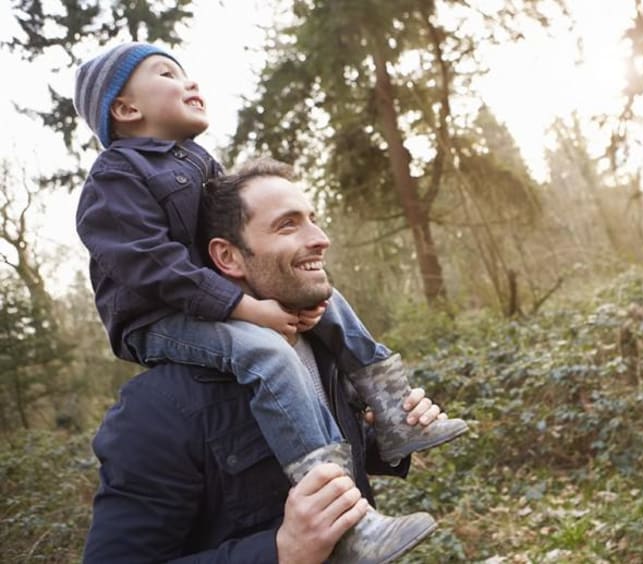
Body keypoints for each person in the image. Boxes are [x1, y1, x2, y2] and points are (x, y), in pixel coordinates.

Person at [73, 42, 467, 559]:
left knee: (330, 304)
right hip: (156, 317)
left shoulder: (313, 351)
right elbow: (147, 263)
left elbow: (289, 432)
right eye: (168, 73)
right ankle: (353, 529)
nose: (320, 238)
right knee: (266, 353)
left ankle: (389, 400)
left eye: (313, 217)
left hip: (216, 304)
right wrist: (281, 552)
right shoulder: (158, 411)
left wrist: (376, 429)